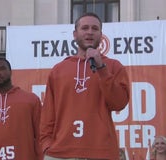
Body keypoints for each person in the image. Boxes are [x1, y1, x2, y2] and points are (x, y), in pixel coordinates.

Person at [40, 12, 130, 160]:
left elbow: (119, 103)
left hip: (101, 152)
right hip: (60, 153)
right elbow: (48, 113)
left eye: (95, 28)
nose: (89, 32)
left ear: (101, 35)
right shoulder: (58, 70)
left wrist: (101, 68)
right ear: (75, 34)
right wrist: (46, 145)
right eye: (85, 28)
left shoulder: (114, 66)